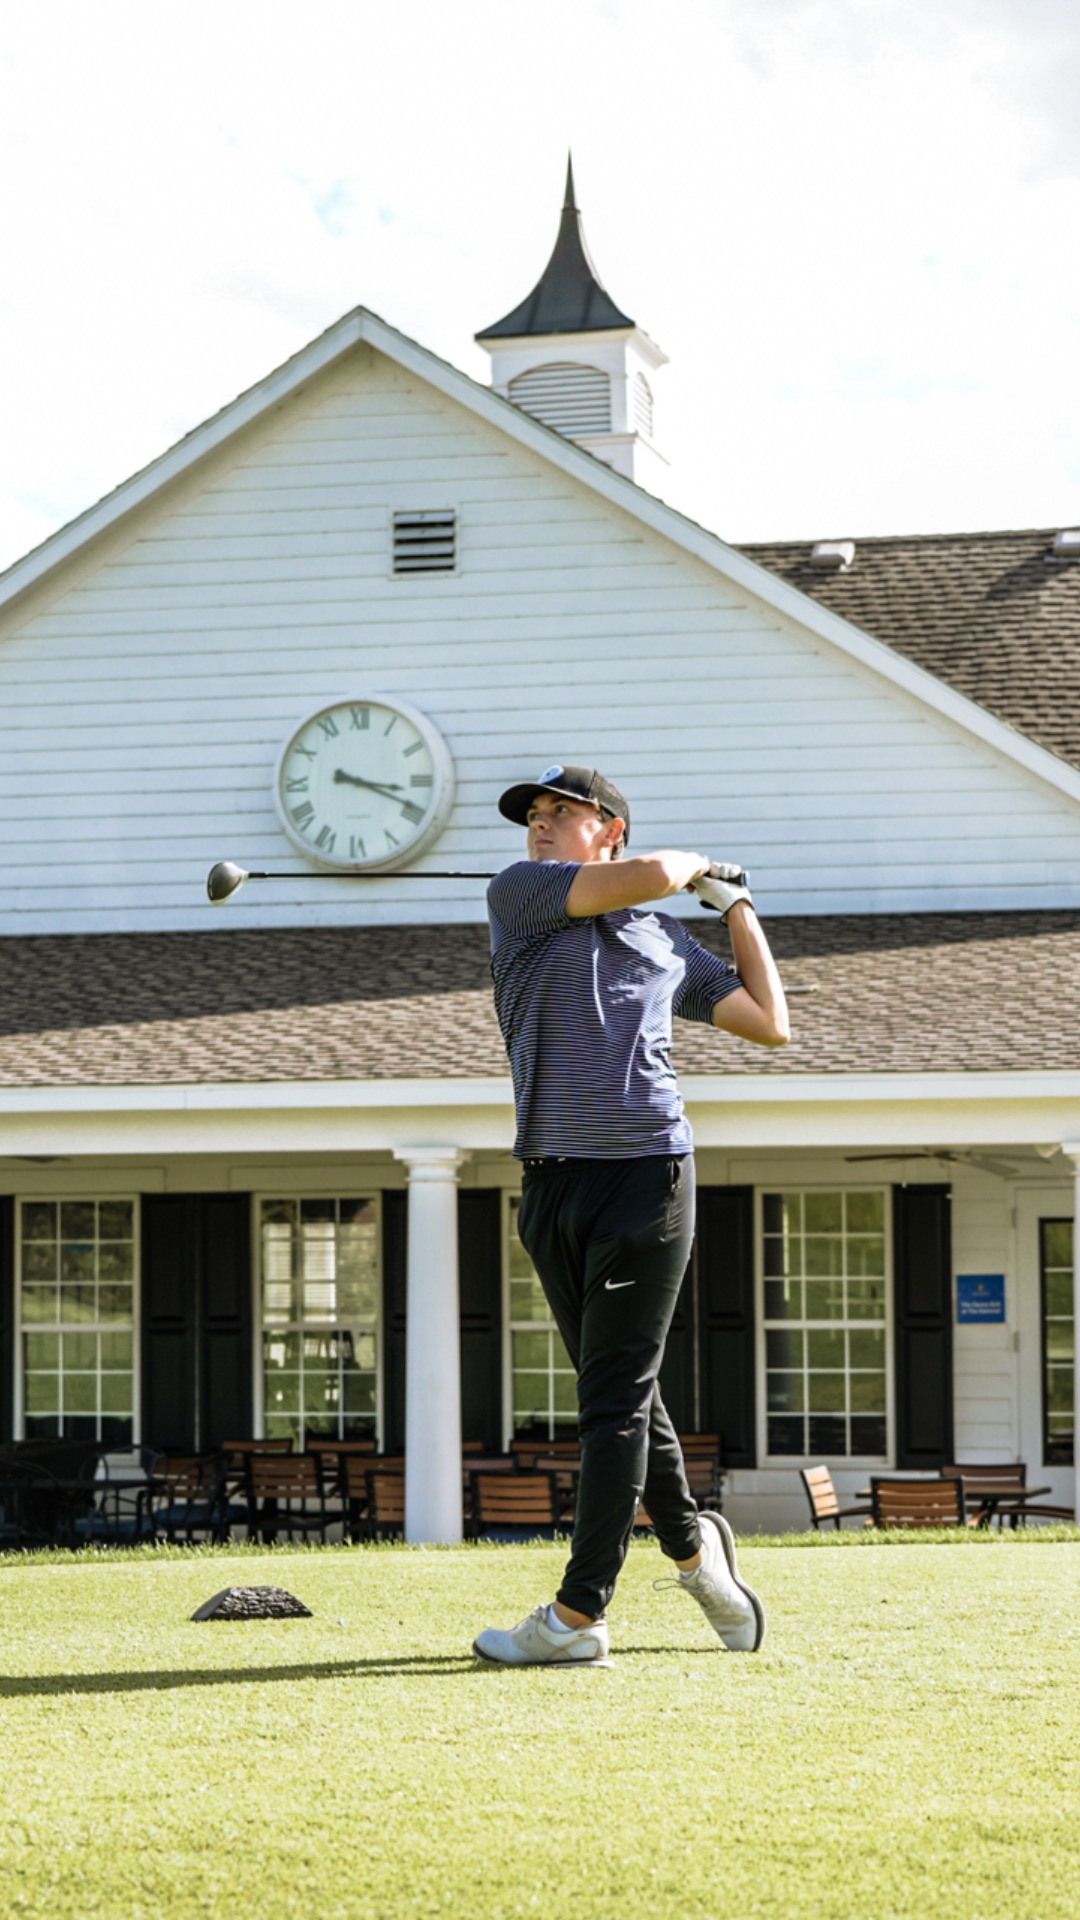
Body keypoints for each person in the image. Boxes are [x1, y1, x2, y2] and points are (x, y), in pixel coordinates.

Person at [473, 764, 790, 1668]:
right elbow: (651, 873)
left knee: (612, 1400)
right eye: (533, 815)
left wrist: (736, 907)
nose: (539, 825)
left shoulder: (662, 941)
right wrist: (694, 867)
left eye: (560, 813)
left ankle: (578, 1617)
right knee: (625, 1393)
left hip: (649, 1176)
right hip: (552, 1182)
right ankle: (698, 1562)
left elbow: (769, 1021)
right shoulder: (522, 896)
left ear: (608, 828)